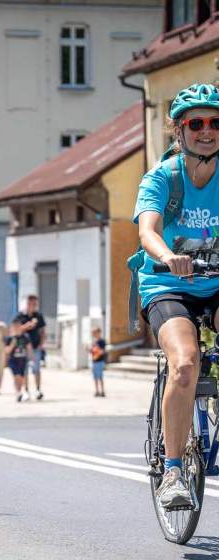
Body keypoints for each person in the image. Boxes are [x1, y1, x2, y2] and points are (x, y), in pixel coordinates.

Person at [135, 83, 219, 510]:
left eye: (215, 122)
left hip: (217, 283)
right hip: (169, 286)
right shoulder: (163, 178)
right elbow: (148, 229)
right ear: (179, 131)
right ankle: (171, 472)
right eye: (197, 123)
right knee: (185, 363)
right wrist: (169, 256)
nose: (207, 131)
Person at [14, 295, 46, 399]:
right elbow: (16, 330)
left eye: (35, 304)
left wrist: (41, 344)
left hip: (35, 347)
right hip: (23, 347)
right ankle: (26, 391)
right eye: (32, 303)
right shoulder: (20, 316)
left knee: (36, 369)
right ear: (27, 303)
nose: (34, 306)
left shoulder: (38, 316)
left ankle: (38, 390)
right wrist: (27, 326)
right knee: (24, 370)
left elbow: (42, 331)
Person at [4, 321, 33, 402]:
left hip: (22, 360)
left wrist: (31, 359)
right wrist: (12, 344)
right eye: (15, 327)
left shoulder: (25, 337)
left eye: (18, 326)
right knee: (17, 377)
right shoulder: (10, 339)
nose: (17, 329)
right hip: (13, 360)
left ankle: (20, 392)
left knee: (21, 377)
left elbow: (29, 348)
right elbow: (7, 351)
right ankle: (18, 392)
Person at [89, 327, 106, 398]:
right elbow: (92, 351)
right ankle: (97, 391)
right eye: (93, 333)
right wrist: (89, 349)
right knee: (95, 377)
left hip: (100, 361)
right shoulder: (94, 342)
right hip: (94, 361)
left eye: (95, 333)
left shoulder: (101, 341)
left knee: (100, 377)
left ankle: (102, 391)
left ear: (98, 333)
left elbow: (102, 351)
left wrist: (96, 350)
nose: (94, 335)